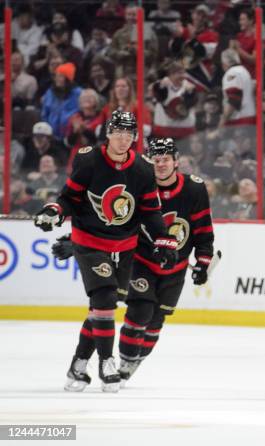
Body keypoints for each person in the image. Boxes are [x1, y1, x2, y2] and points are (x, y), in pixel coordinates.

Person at [33, 111, 178, 393]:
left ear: (135, 137)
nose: (123, 138)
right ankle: (106, 362)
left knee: (103, 308)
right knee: (105, 299)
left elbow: (150, 210)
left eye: (129, 133)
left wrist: (165, 239)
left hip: (124, 247)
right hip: (89, 241)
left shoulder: (143, 169)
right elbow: (69, 198)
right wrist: (55, 210)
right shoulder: (89, 160)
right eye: (118, 132)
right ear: (108, 134)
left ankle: (78, 365)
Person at [52, 138, 215, 386]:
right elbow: (110, 219)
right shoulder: (139, 179)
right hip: (138, 259)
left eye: (165, 160)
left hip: (174, 267)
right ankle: (98, 363)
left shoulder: (193, 189)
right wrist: (75, 244)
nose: (160, 165)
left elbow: (203, 230)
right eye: (156, 160)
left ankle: (126, 363)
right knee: (131, 308)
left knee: (155, 321)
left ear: (176, 161)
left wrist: (203, 261)